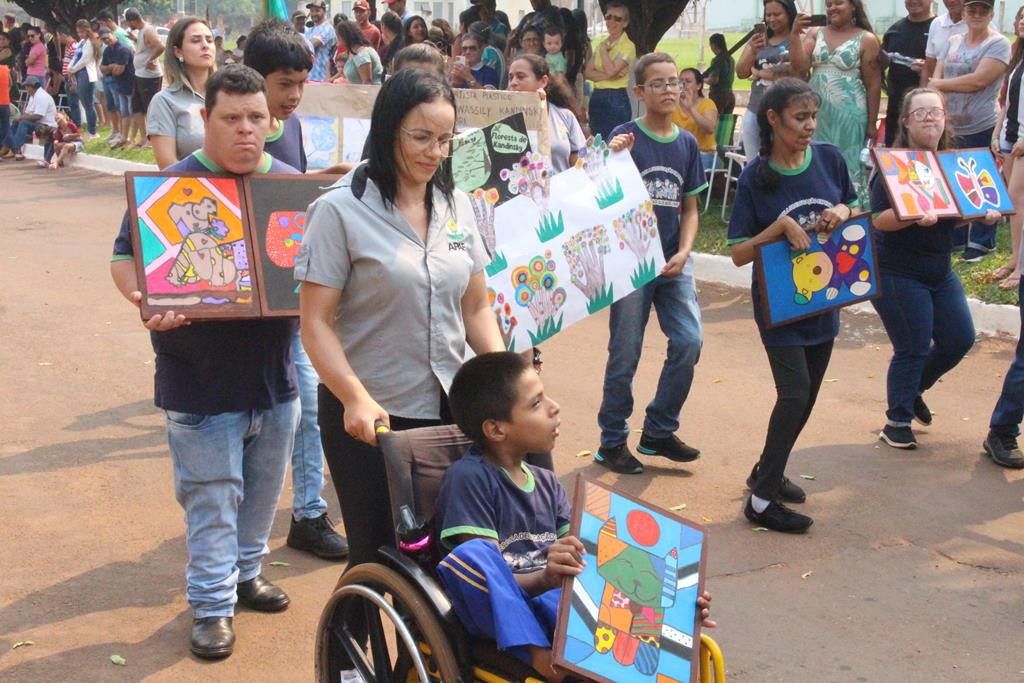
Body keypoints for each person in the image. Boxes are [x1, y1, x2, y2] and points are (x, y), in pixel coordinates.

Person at [295, 70, 508, 676]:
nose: (434, 154)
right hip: (372, 415)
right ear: (388, 130)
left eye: (445, 140)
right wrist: (355, 398)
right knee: (379, 554)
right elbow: (317, 324)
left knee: (449, 549)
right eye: (421, 137)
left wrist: (503, 379)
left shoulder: (456, 203)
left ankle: (428, 666)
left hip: (450, 408)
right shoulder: (338, 211)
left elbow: (476, 307)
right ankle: (358, 664)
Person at [110, 65, 300, 661]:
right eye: (231, 118)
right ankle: (213, 606)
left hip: (277, 380)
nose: (245, 130)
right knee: (212, 496)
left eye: (255, 118)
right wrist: (143, 298)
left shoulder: (294, 187)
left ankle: (246, 576)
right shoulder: (170, 186)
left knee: (262, 494)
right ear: (204, 119)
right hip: (197, 381)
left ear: (271, 123)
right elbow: (124, 258)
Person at [435, 351, 716, 682]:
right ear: (496, 430)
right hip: (504, 610)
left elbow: (593, 563)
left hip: (557, 604)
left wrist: (674, 603)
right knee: (472, 557)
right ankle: (536, 654)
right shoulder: (469, 478)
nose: (554, 407)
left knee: (607, 563)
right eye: (536, 404)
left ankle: (667, 619)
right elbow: (483, 577)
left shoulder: (547, 483)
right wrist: (544, 579)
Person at [727, 78, 857, 533]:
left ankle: (768, 469)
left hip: (825, 299)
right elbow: (738, 252)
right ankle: (761, 503)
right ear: (773, 119)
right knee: (794, 393)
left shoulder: (829, 158)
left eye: (812, 117)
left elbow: (852, 206)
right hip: (779, 304)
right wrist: (779, 227)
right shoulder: (754, 178)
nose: (809, 126)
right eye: (800, 118)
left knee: (808, 397)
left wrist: (843, 210)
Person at [242, 19, 350, 560]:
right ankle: (237, 544)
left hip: (288, 294)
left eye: (301, 83)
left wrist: (321, 182)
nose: (293, 96)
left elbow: (286, 204)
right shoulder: (229, 126)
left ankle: (308, 512)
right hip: (237, 301)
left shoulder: (295, 126)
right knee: (244, 422)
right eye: (284, 82)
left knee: (309, 403)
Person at [596, 53, 706, 474]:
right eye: (657, 84)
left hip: (673, 261)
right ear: (639, 92)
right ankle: (611, 441)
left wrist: (684, 250)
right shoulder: (625, 137)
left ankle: (659, 429)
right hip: (630, 266)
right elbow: (598, 188)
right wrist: (611, 155)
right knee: (625, 352)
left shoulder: (687, 143)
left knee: (689, 341)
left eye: (674, 82)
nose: (668, 90)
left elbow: (691, 208)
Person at [869, 87, 995, 450]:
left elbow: (949, 219)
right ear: (906, 121)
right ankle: (897, 422)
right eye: (920, 113)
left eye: (935, 112)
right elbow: (879, 220)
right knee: (913, 345)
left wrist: (979, 214)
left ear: (945, 119)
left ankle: (912, 390)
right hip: (897, 271)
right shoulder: (894, 167)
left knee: (959, 338)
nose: (929, 118)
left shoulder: (953, 165)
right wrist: (911, 218)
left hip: (939, 269)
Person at [931, 0, 1010, 261]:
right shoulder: (953, 40)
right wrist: (936, 89)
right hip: (950, 124)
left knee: (982, 180)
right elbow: (936, 75)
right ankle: (955, 235)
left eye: (983, 11)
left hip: (981, 123)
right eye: (971, 10)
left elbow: (979, 81)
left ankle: (982, 240)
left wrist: (940, 83)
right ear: (963, 13)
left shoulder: (998, 44)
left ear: (991, 14)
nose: (977, 15)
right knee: (952, 179)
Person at [789, 0, 881, 206]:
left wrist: (871, 124)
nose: (832, 8)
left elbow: (873, 85)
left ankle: (851, 213)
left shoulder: (867, 39)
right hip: (816, 113)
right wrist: (795, 35)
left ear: (853, 6)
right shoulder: (815, 33)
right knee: (816, 159)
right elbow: (799, 69)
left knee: (847, 164)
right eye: (829, 4)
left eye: (838, 3)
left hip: (849, 116)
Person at [147, 17, 215, 170]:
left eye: (209, 40)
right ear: (178, 51)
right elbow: (168, 166)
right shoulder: (164, 102)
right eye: (196, 40)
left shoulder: (229, 95)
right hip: (192, 190)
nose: (205, 46)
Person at [736, 0, 797, 159]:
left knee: (782, 161)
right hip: (755, 110)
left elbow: (793, 71)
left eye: (777, 14)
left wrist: (759, 73)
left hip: (786, 112)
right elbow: (741, 72)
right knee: (753, 162)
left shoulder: (797, 40)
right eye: (768, 15)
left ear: (789, 14)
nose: (771, 19)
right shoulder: (759, 39)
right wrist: (753, 51)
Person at [508, 54, 585, 173]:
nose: (513, 83)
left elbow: (579, 162)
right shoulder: (502, 120)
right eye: (510, 77)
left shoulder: (565, 116)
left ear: (543, 81)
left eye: (520, 77)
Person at [993, 7, 1024, 291]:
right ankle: (1015, 259)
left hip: (1023, 142)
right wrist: (997, 131)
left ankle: (1020, 266)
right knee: (1014, 203)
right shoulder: (1018, 54)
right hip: (1010, 136)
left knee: (1016, 200)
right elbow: (1008, 102)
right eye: (1022, 17)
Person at [880, 0, 934, 147]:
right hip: (895, 113)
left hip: (927, 114)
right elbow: (878, 66)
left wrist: (927, 70)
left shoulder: (938, 29)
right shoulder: (894, 31)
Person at [584, 0, 635, 141]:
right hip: (597, 96)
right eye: (608, 16)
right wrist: (610, 75)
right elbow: (588, 73)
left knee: (614, 142)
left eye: (617, 18)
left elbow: (611, 70)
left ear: (625, 23)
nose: (611, 21)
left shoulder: (628, 46)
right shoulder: (603, 43)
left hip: (616, 97)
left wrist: (603, 53)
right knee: (597, 142)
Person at [123, 8, 164, 150]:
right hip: (139, 74)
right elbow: (148, 47)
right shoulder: (141, 32)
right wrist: (135, 40)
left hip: (149, 77)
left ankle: (154, 140)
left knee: (150, 109)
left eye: (129, 23)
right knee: (137, 107)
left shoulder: (148, 30)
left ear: (133, 20)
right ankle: (144, 136)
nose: (129, 26)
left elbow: (160, 46)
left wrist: (149, 60)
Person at [673, 67, 719, 168]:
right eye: (681, 81)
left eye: (688, 81)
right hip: (679, 154)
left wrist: (690, 109)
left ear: (698, 86)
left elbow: (710, 129)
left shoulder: (707, 104)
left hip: (703, 154)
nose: (683, 84)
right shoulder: (673, 105)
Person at [2, 75, 56, 161]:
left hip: (47, 125)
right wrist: (19, 118)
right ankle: (8, 147)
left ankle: (16, 149)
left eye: (27, 86)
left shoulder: (42, 96)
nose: (26, 89)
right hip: (38, 124)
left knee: (23, 122)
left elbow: (38, 116)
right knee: (16, 122)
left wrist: (21, 118)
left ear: (33, 86)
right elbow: (27, 113)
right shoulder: (32, 96)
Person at [99, 26, 134, 149]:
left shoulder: (123, 49)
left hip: (128, 84)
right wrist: (111, 67)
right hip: (119, 85)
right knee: (122, 111)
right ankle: (122, 136)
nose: (106, 40)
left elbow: (119, 70)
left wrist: (110, 68)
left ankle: (132, 138)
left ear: (112, 34)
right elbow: (102, 68)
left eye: (107, 37)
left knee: (131, 111)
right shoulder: (107, 51)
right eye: (103, 39)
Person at [68, 20, 100, 138]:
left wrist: (73, 69)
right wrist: (70, 68)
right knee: (85, 101)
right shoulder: (82, 42)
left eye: (82, 31)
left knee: (88, 103)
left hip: (86, 73)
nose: (80, 34)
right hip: (78, 73)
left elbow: (84, 60)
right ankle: (91, 130)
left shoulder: (91, 43)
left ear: (87, 30)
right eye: (78, 32)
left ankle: (92, 131)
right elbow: (76, 56)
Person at [922, 0, 966, 83]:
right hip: (939, 91)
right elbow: (929, 65)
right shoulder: (937, 23)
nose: (951, 1)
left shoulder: (982, 25)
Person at [334, 19, 383, 85]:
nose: (337, 38)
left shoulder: (362, 55)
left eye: (338, 36)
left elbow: (367, 82)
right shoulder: (353, 52)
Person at [304, 0, 336, 82]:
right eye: (312, 11)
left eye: (317, 11)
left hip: (321, 78)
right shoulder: (309, 30)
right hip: (308, 77)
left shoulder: (327, 28)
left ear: (324, 11)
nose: (314, 14)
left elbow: (310, 45)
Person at [706, 33, 735, 118]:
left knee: (715, 122)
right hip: (730, 95)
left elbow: (714, 80)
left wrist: (703, 79)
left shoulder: (717, 60)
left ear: (713, 45)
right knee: (726, 124)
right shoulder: (731, 59)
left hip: (718, 96)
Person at [0, 60, 9, 152]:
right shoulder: (6, 69)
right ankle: (15, 150)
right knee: (6, 127)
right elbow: (10, 83)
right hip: (5, 102)